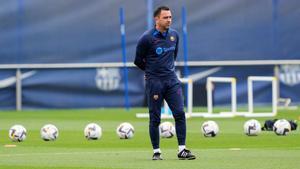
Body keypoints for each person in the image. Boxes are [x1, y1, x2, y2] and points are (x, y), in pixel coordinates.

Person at [134, 6, 196, 160]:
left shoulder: (174, 35)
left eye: (170, 17)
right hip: (155, 83)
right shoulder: (146, 38)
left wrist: (167, 71)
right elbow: (137, 61)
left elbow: (173, 56)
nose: (169, 20)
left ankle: (182, 150)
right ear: (157, 19)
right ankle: (156, 152)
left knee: (180, 113)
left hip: (172, 81)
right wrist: (150, 73)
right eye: (165, 17)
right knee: (155, 118)